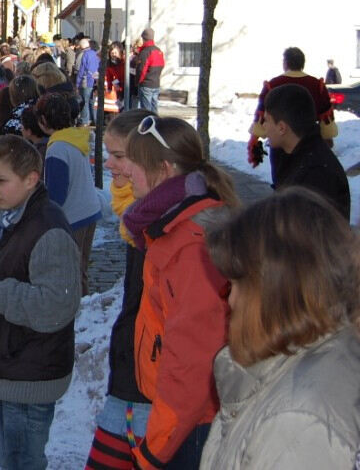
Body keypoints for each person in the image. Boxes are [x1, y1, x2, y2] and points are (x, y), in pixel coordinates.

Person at [199, 188, 360, 469]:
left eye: (237, 285)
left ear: (276, 293)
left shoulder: (296, 420)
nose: (231, 300)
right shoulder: (314, 360)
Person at [0, 135, 81, 470]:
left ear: (30, 180)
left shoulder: (46, 228)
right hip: (16, 366)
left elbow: (56, 305)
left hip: (31, 373)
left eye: (0, 181)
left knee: (21, 461)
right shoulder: (14, 218)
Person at [121, 116, 238, 469]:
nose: (126, 173)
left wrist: (155, 449)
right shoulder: (175, 227)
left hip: (194, 425)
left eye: (134, 164)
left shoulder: (190, 244)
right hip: (188, 417)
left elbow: (193, 360)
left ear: (165, 169)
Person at [83, 109, 156, 470]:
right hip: (132, 378)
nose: (108, 165)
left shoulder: (159, 222)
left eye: (119, 156)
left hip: (147, 387)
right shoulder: (139, 215)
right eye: (108, 154)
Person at [37, 93, 101, 296]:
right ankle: (83, 301)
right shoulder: (74, 139)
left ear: (44, 121)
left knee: (72, 267)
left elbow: (56, 194)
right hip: (88, 209)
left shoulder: (57, 149)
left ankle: (77, 305)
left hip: (73, 216)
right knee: (80, 264)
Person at [261, 83, 349, 219]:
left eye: (266, 120)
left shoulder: (317, 173)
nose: (263, 126)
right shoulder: (289, 154)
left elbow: (307, 235)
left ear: (281, 128)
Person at [247, 46, 337, 172]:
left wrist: (254, 140)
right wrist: (327, 138)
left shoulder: (272, 85)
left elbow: (262, 115)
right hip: (309, 142)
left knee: (282, 182)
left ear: (285, 63)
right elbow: (326, 118)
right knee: (309, 179)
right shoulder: (317, 85)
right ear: (302, 64)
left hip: (281, 141)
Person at [133, 28, 164, 112]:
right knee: (154, 108)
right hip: (156, 83)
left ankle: (148, 124)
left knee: (146, 110)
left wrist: (138, 82)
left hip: (146, 84)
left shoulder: (145, 52)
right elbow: (162, 66)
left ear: (143, 38)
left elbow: (141, 70)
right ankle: (157, 123)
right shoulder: (158, 51)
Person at [75, 38, 99, 126]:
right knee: (92, 102)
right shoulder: (96, 54)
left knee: (85, 101)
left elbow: (81, 70)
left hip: (86, 81)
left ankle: (85, 120)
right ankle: (94, 119)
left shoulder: (84, 54)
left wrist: (77, 83)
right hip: (95, 81)